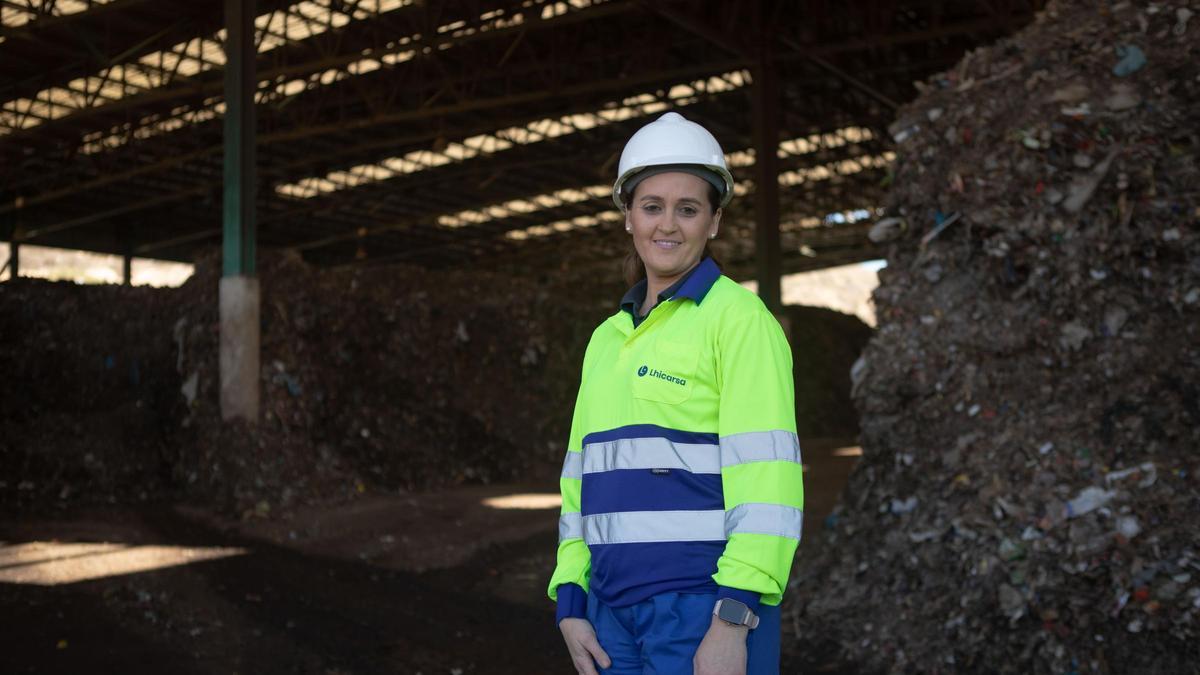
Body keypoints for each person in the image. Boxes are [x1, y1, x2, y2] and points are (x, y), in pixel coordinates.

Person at [547, 111, 804, 675]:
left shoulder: (739, 321)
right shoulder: (606, 339)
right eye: (651, 206)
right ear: (628, 217)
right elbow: (578, 482)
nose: (668, 225)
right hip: (611, 615)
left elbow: (769, 485)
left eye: (688, 209)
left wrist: (733, 618)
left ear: (713, 222)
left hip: (703, 611)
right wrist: (571, 599)